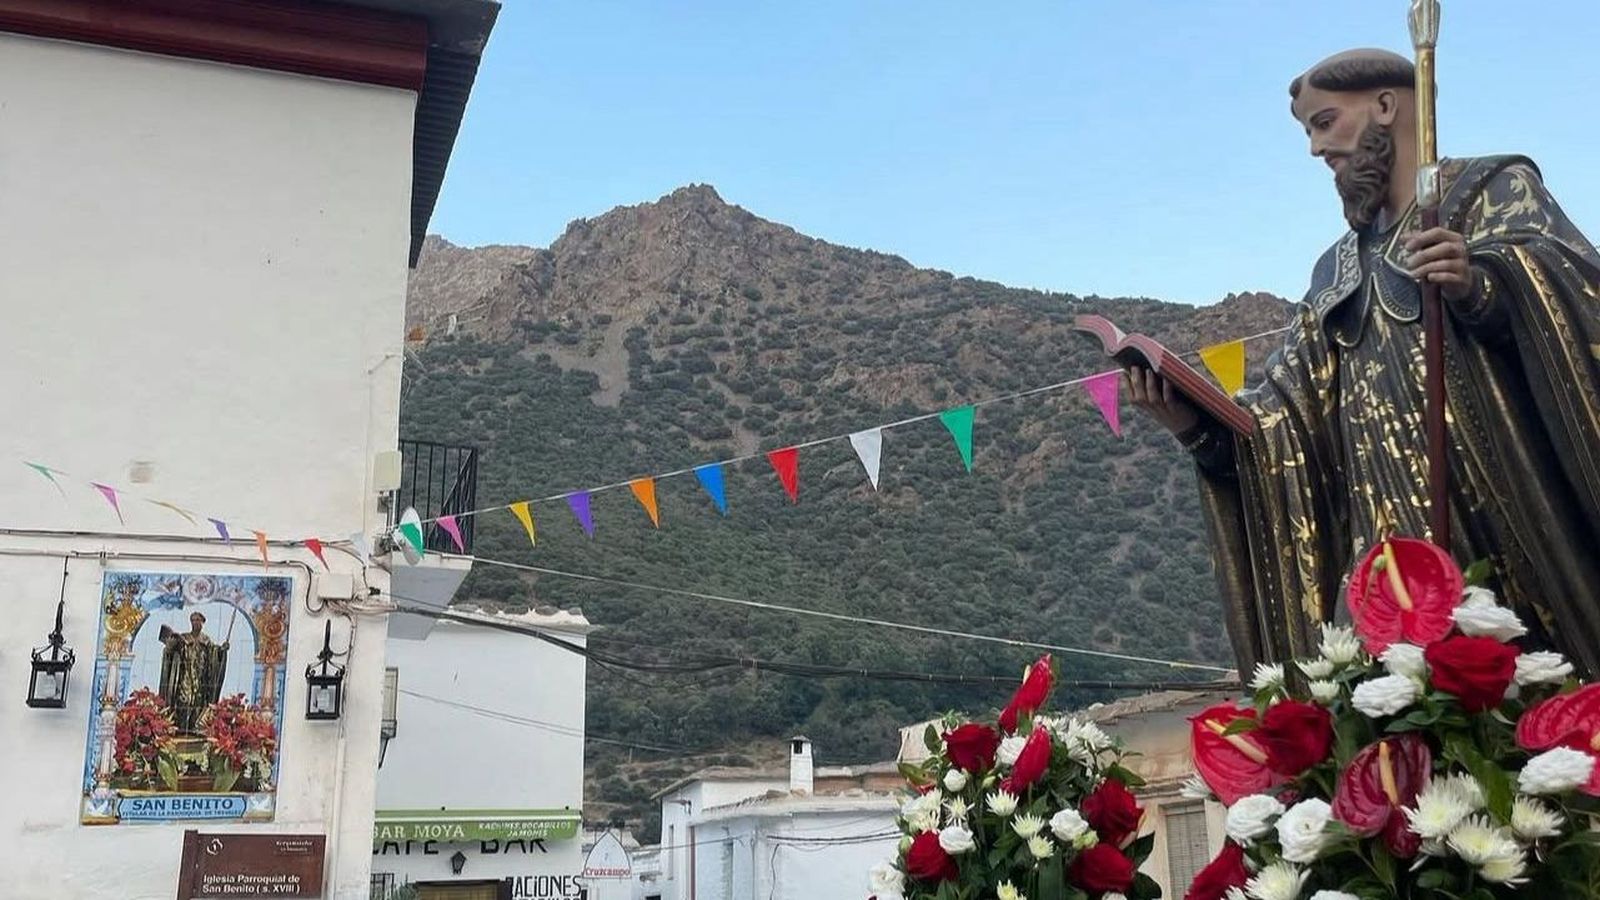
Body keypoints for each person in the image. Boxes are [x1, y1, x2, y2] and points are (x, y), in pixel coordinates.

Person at [1126, 49, 1600, 676]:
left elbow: (1580, 295)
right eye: (1309, 132)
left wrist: (1486, 282)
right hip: (1380, 541)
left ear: (1385, 106)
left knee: (1519, 691)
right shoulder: (1336, 270)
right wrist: (1196, 422)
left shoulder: (1489, 191)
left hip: (1495, 510)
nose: (1317, 150)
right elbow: (1285, 418)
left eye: (1325, 122)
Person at [158, 611, 230, 732]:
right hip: (185, 678)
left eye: (198, 620)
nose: (195, 623)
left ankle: (194, 732)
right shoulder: (184, 638)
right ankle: (180, 730)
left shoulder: (206, 641)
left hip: (201, 680)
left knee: (198, 705)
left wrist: (222, 650)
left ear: (202, 622)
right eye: (193, 620)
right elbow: (171, 652)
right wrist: (169, 646)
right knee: (183, 702)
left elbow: (215, 655)